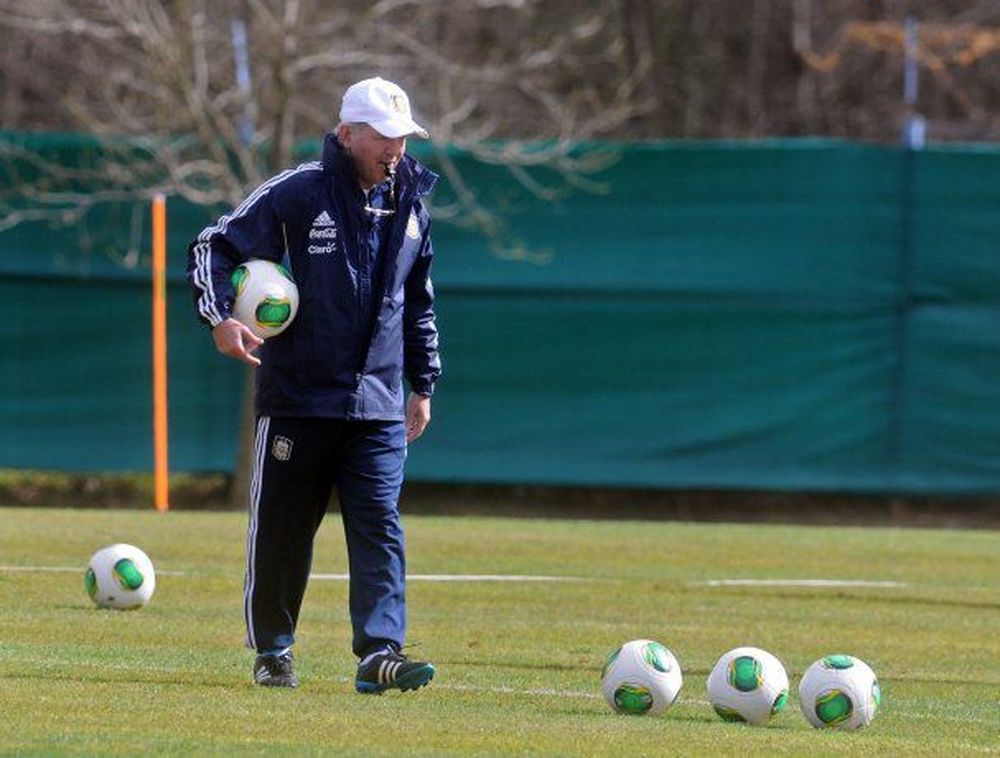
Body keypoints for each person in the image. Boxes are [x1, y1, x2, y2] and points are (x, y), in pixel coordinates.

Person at [185, 77, 441, 694]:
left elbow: (418, 300)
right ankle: (274, 649)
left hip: (378, 403)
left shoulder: (412, 207)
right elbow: (212, 246)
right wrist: (220, 316)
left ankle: (379, 652)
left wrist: (423, 381)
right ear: (347, 133)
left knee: (380, 523)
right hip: (299, 399)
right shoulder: (298, 192)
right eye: (382, 136)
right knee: (284, 529)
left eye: (402, 137)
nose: (394, 149)